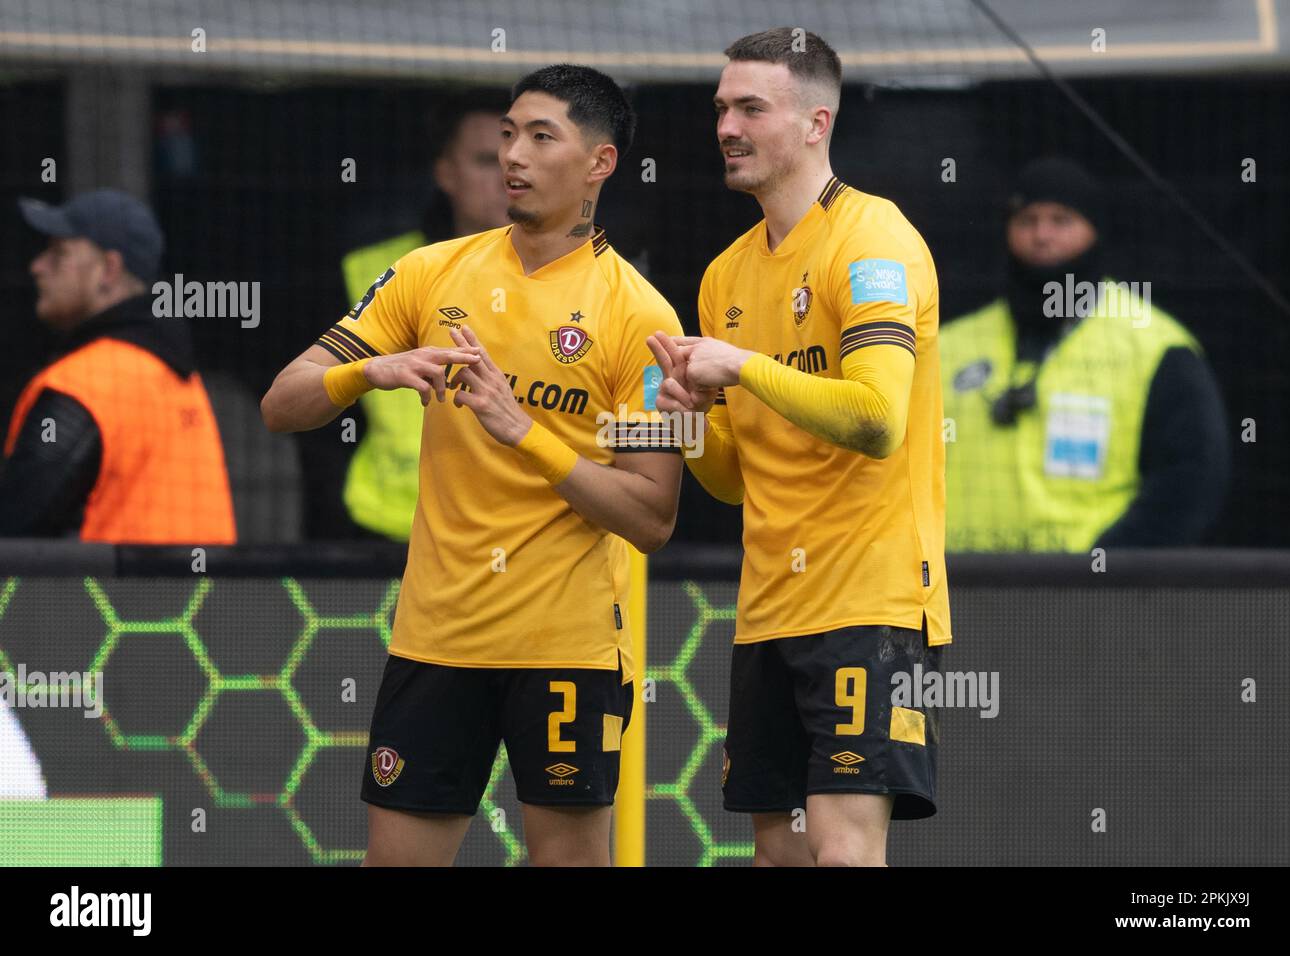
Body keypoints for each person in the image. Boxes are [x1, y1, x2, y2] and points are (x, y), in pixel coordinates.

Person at [262, 65, 684, 866]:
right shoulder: (429, 274)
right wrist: (365, 374)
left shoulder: (641, 317)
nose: (513, 157)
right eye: (505, 137)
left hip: (565, 650)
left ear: (600, 163)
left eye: (539, 137)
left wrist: (524, 432)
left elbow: (651, 516)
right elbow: (283, 404)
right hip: (437, 640)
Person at [651, 28, 951, 867]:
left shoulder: (873, 241)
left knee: (842, 848)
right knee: (775, 853)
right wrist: (695, 415)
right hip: (769, 607)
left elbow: (878, 420)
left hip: (870, 601)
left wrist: (743, 365)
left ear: (817, 122)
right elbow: (733, 482)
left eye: (752, 107)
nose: (727, 126)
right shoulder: (724, 274)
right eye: (720, 108)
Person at [940, 157, 1231, 551]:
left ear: (1095, 231)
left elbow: (1194, 474)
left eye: (1061, 220)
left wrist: (1111, 569)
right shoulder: (947, 345)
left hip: (1088, 597)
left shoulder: (1153, 346)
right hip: (958, 591)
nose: (1042, 235)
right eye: (1026, 220)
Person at [0, 189, 236, 543]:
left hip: (108, 598)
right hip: (202, 597)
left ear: (108, 269)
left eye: (58, 254)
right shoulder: (177, 374)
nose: (37, 266)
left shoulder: (84, 384)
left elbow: (15, 530)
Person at [338, 89, 511, 542]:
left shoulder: (593, 278)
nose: (507, 174)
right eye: (485, 161)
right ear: (445, 173)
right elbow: (310, 402)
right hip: (390, 528)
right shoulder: (372, 269)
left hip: (521, 534)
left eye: (516, 157)